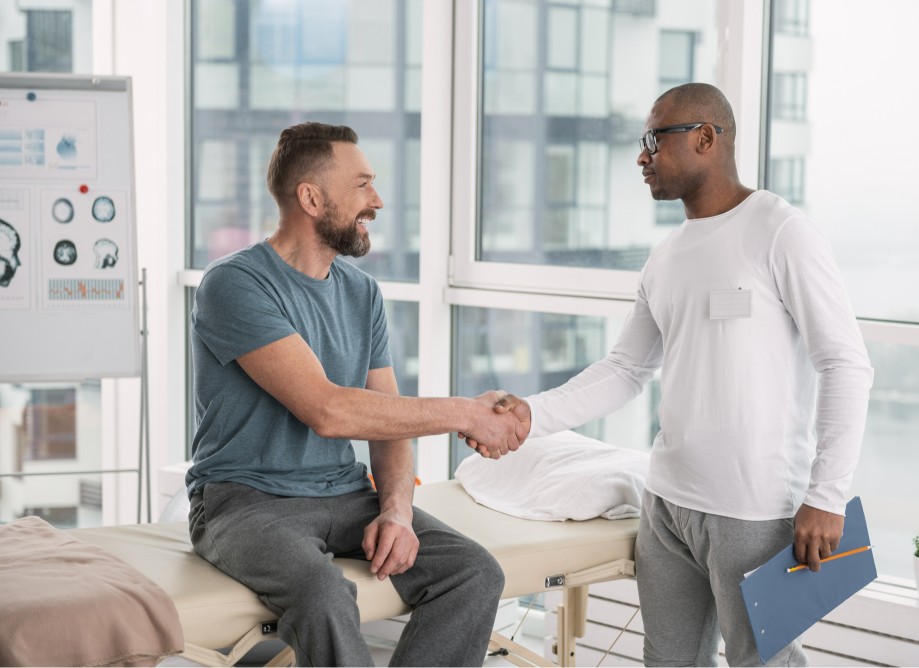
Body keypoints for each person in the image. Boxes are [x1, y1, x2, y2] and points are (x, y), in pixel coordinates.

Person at [482, 83, 874, 666]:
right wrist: (530, 415)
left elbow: (845, 364)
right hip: (666, 507)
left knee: (761, 661)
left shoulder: (780, 231)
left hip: (754, 510)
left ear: (705, 137)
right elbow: (624, 370)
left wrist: (827, 494)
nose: (641, 157)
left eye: (653, 140)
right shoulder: (665, 257)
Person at [186, 122, 524, 666]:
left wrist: (396, 510)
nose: (378, 200)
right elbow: (328, 409)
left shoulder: (361, 291)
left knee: (473, 571)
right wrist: (465, 411)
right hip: (245, 503)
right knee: (323, 595)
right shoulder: (234, 284)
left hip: (344, 493)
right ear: (312, 198)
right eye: (362, 185)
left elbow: (386, 419)